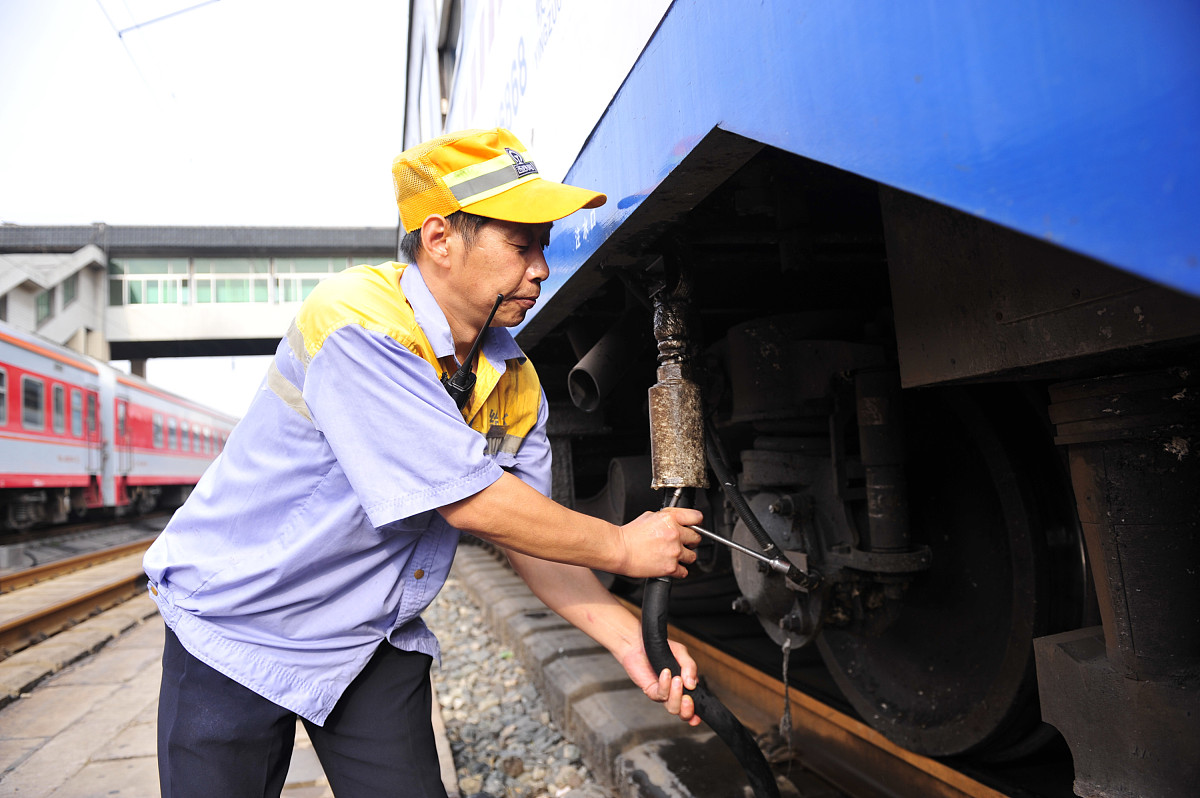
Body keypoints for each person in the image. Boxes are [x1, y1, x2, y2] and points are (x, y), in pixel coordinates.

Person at [144, 127, 704, 798]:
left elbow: (527, 537)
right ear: (438, 240)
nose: (542, 271)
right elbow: (465, 499)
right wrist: (621, 545)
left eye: (544, 248)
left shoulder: (512, 379)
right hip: (240, 622)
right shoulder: (355, 322)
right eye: (520, 246)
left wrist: (627, 635)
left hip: (366, 633)